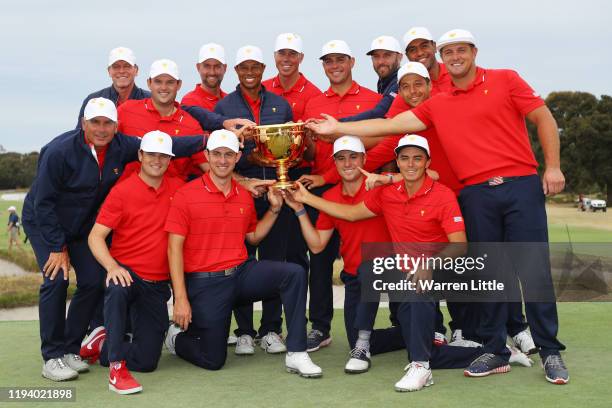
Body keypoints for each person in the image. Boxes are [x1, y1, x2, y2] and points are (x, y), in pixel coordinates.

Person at [306, 28, 569, 385]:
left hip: (520, 183)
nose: (456, 56)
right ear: (441, 59)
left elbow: (544, 117)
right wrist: (338, 129)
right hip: (476, 193)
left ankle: (550, 352)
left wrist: (552, 166)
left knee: (531, 268)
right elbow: (391, 125)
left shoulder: (505, 79)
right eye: (449, 52)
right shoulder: (439, 102)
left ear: (474, 51)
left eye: (461, 50)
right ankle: (494, 349)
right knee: (488, 274)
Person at [286, 135, 534, 391]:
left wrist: (428, 265)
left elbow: (459, 245)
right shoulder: (388, 194)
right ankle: (487, 352)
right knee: (369, 269)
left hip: (444, 270)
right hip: (408, 271)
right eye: (404, 158)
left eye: (417, 158)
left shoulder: (443, 195)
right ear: (397, 163)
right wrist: (304, 200)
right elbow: (350, 213)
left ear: (427, 162)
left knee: (417, 294)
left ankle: (421, 366)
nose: (411, 164)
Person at [22, 97, 204, 382]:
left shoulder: (123, 145)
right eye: (95, 122)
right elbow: (42, 203)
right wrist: (57, 246)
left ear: (116, 126)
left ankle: (71, 349)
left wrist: (210, 139)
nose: (102, 129)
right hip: (46, 220)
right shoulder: (59, 151)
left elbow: (170, 145)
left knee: (94, 281)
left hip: (82, 224)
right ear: (84, 123)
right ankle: (52, 356)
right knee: (56, 279)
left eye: (108, 123)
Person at [163, 130, 322, 378]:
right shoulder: (186, 195)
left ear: (238, 157)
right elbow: (174, 248)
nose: (223, 160)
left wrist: (274, 209)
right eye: (216, 154)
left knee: (294, 273)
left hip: (241, 273)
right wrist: (180, 299)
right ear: (207, 155)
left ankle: (297, 353)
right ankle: (176, 339)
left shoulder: (243, 196)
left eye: (228, 154)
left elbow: (254, 237)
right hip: (206, 282)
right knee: (213, 358)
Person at [283, 136, 405, 374]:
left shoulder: (378, 187)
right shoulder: (329, 199)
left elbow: (351, 214)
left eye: (353, 157)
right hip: (355, 278)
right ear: (335, 164)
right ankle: (389, 337)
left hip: (393, 270)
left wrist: (309, 199)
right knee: (358, 339)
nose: (347, 163)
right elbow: (317, 245)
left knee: (371, 269)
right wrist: (300, 211)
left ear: (364, 159)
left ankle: (386, 338)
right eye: (341, 158)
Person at [213, 45, 304, 355]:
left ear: (264, 69)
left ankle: (270, 329)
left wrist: (283, 171)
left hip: (274, 193)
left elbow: (291, 150)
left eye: (255, 66)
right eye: (243, 67)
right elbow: (221, 155)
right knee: (238, 262)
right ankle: (244, 332)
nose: (249, 72)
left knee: (274, 262)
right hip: (239, 194)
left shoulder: (280, 104)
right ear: (236, 71)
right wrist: (248, 158)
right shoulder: (224, 108)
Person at [298, 40, 382, 352]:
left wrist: (327, 176)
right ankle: (320, 327)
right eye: (328, 60)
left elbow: (378, 147)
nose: (334, 66)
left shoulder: (373, 100)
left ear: (351, 62)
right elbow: (309, 152)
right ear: (323, 65)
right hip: (324, 189)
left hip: (362, 189)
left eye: (340, 60)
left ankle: (406, 321)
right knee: (319, 261)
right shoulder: (314, 103)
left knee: (371, 258)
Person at [88, 131, 183, 395]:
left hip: (156, 285)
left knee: (147, 361)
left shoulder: (178, 188)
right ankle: (116, 369)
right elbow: (95, 237)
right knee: (116, 288)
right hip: (127, 274)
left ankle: (106, 347)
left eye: (163, 156)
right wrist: (112, 267)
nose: (157, 160)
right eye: (151, 154)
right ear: (140, 155)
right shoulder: (122, 191)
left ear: (169, 160)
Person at [117, 59, 208, 181]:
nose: (164, 87)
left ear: (179, 84)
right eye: (158, 82)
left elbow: (210, 168)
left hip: (172, 197)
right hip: (129, 196)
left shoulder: (191, 126)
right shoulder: (126, 111)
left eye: (170, 82)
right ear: (149, 83)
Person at [77, 47, 149, 128]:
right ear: (109, 71)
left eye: (127, 66)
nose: (121, 71)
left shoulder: (150, 100)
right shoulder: (93, 100)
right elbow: (80, 135)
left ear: (136, 70)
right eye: (116, 67)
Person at [340, 35, 403, 121]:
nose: (381, 61)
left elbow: (380, 113)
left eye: (387, 55)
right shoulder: (384, 81)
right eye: (376, 56)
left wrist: (338, 123)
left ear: (400, 57)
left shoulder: (402, 80)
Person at [262, 33, 322, 121]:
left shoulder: (314, 95)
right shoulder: (261, 90)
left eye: (292, 54)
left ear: (301, 57)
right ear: (274, 55)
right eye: (281, 53)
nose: (286, 59)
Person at [181, 43, 228, 111]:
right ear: (198, 67)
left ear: (225, 68)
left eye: (217, 66)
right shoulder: (189, 101)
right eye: (207, 66)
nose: (212, 72)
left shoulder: (230, 100)